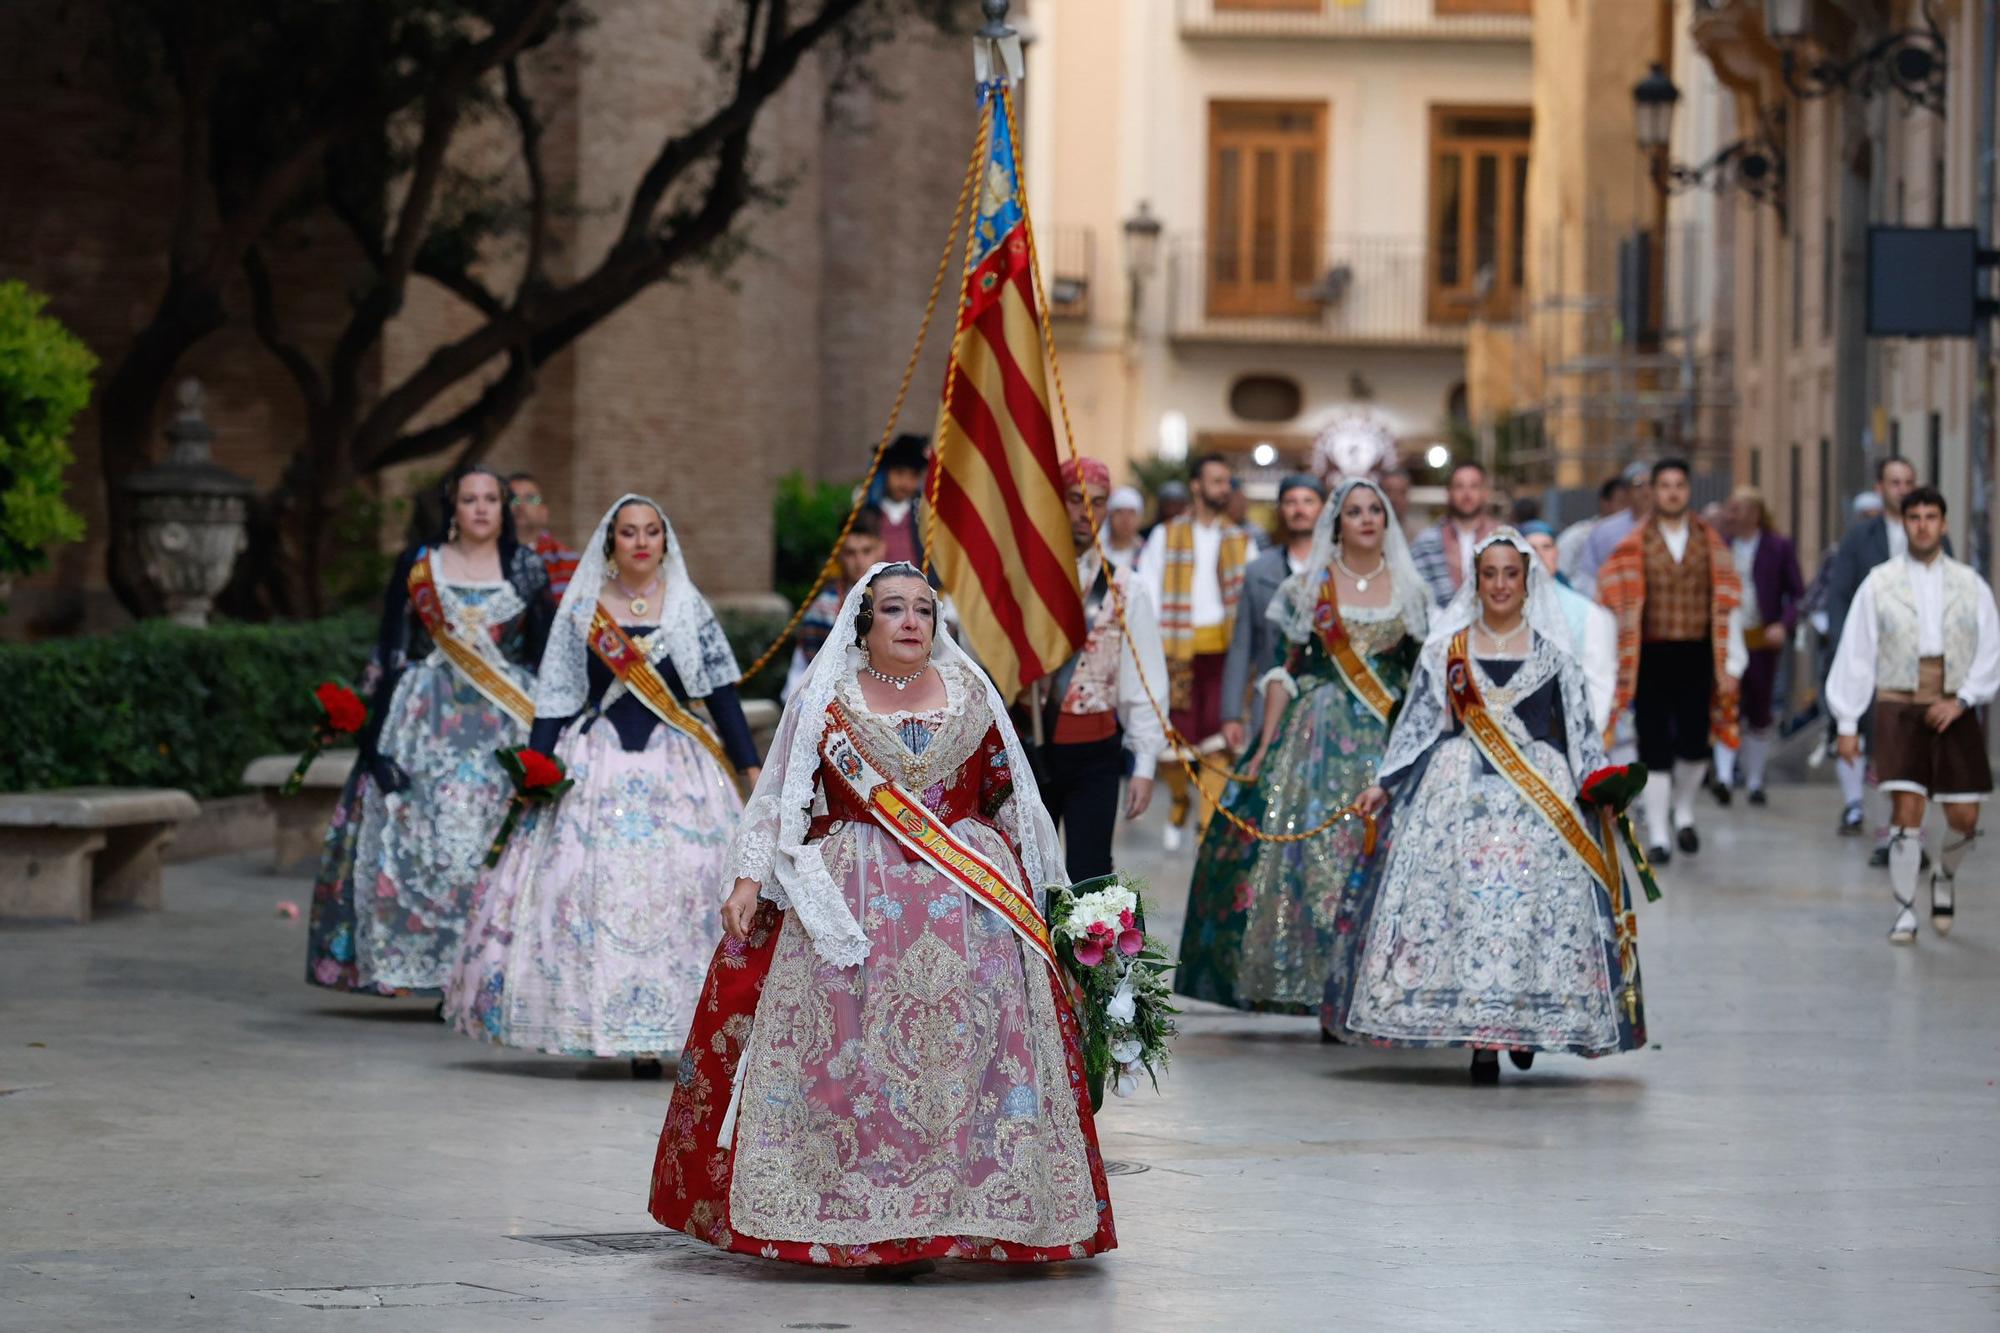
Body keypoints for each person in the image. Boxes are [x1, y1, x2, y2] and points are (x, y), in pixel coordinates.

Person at [648, 563, 1115, 1271]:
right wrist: (750, 880)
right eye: (892, 609)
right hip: (851, 906)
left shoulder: (972, 694)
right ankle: (851, 1208)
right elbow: (783, 797)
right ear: (863, 623)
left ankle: (965, 1211)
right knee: (852, 1059)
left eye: (922, 610)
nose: (909, 622)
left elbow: (1007, 795)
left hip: (971, 904)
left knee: (973, 1060)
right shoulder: (827, 697)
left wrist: (1053, 898)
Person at [444, 495, 760, 1071]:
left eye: (651, 532)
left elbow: (720, 696)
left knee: (687, 889)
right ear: (610, 544)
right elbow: (557, 696)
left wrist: (751, 771)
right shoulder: (581, 609)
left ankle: (671, 1030)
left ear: (666, 542)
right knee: (579, 890)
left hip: (679, 770)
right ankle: (592, 1023)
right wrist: (536, 766)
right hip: (595, 765)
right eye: (628, 532)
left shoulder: (690, 608)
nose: (640, 542)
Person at [1337, 530, 1647, 1081]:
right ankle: (1484, 1040)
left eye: (1511, 574)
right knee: (1467, 910)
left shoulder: (1555, 656)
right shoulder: (1446, 651)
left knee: (1531, 915)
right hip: (1458, 797)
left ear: (1528, 583)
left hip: (1539, 802)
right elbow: (1418, 725)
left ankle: (1523, 1021)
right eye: (1490, 574)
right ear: (1475, 581)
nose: (1500, 584)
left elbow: (1579, 735)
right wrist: (1384, 784)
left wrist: (1602, 790)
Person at [1178, 478, 1427, 1019]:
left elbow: (1419, 682)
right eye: (1354, 511)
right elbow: (1282, 671)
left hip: (1384, 745)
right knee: (1308, 864)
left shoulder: (1413, 593)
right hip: (1312, 740)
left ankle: (1373, 984)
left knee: (1375, 859)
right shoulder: (1307, 588)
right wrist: (1265, 744)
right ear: (1336, 523)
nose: (1365, 519)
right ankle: (1312, 984)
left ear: (1387, 521)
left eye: (1374, 511)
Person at [307, 466, 553, 995]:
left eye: (492, 499)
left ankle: (483, 973)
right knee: (423, 839)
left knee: (494, 841)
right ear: (453, 507)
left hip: (505, 724)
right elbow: (391, 648)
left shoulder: (526, 568)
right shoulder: (421, 567)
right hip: (425, 721)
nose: (482, 508)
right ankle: (427, 972)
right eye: (470, 499)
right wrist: (371, 740)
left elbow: (545, 652)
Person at [1827, 488, 1997, 945]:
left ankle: (1944, 874)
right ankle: (1904, 909)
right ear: (1904, 524)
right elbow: (1857, 653)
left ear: (1944, 524)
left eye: (1931, 516)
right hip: (1898, 702)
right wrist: (1847, 723)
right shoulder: (1879, 583)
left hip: (1953, 703)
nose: (1922, 524)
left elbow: (1990, 648)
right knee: (1907, 807)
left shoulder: (1970, 583)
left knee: (1964, 815)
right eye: (1914, 517)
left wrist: (1962, 699)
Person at [1597, 458, 1745, 865]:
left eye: (1679, 484)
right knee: (1654, 744)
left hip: (1699, 653)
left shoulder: (1711, 543)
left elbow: (1730, 605)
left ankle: (1684, 810)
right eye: (1665, 486)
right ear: (1652, 492)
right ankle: (1660, 832)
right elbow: (1614, 602)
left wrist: (1732, 664)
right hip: (1651, 653)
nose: (1673, 493)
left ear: (1688, 490)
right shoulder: (1633, 546)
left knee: (1696, 746)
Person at [1032, 456, 1167, 880]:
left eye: (1098, 501)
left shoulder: (1128, 586)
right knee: (1027, 873)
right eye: (1075, 499)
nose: (1086, 511)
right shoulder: (1024, 581)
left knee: (1091, 876)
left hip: (1096, 753)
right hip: (1026, 747)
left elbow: (1145, 678)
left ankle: (1084, 951)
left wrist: (1144, 764)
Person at [1138, 453, 1255, 849]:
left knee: (1219, 739)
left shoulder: (1241, 539)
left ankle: (1207, 827)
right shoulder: (1166, 535)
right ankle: (1178, 800)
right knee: (1174, 746)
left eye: (1227, 482)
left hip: (1224, 653)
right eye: (1217, 481)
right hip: (1176, 651)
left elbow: (1251, 600)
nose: (1224, 489)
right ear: (1197, 486)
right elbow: (1148, 593)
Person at [1823, 457, 1924, 837]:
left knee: (1904, 745)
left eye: (1908, 481)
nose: (1903, 489)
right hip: (1868, 654)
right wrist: (1840, 646)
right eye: (1895, 482)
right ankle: (1856, 806)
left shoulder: (1930, 535)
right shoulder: (1859, 538)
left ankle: (1897, 824)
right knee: (1864, 735)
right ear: (1880, 488)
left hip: (1914, 659)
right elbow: (1839, 594)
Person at [1710, 486, 1804, 806]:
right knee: (1726, 703)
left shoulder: (1778, 547)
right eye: (1730, 509)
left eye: (1738, 509)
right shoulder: (1720, 546)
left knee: (1759, 709)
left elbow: (1796, 593)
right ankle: (1723, 776)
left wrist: (1783, 624)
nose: (1731, 515)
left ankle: (1754, 780)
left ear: (1755, 512)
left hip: (1761, 638)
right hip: (1726, 639)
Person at [1220, 473, 1326, 752]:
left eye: (1308, 501)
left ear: (1323, 509)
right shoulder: (1259, 571)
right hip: (1269, 700)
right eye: (1290, 502)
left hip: (1327, 703)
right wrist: (1231, 713)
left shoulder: (1341, 569)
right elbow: (1242, 645)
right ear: (1280, 510)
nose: (1299, 509)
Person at [781, 506, 884, 702]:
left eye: (866, 550)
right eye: (850, 553)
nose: (859, 561)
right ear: (839, 554)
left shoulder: (902, 600)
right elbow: (798, 679)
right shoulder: (822, 609)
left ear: (881, 548)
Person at [1522, 520, 1617, 732]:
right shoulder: (1503, 609)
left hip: (1571, 729)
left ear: (1556, 553)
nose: (1539, 555)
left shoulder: (1586, 612)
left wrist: (1587, 733)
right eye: (1531, 548)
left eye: (1546, 547)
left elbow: (1599, 680)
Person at [1408, 460, 1497, 606]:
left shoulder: (1502, 538)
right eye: (1459, 486)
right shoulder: (1425, 543)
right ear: (1448, 492)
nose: (1467, 494)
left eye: (1474, 486)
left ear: (1485, 493)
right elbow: (1417, 596)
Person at [1577, 460, 1654, 596]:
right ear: (1627, 491)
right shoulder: (1604, 531)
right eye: (1639, 485)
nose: (1646, 491)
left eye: (1651, 484)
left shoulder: (1674, 527)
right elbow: (1586, 575)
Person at [507, 472, 580, 600]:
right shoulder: (486, 559)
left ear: (544, 511)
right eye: (512, 498)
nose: (520, 505)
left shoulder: (571, 563)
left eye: (530, 499)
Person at [1556, 474, 1626, 594]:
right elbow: (1560, 573)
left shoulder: (1639, 537)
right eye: (1623, 503)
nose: (1627, 510)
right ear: (1605, 503)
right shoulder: (1578, 536)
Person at [868, 433, 929, 568]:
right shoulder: (869, 512)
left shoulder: (924, 513)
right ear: (885, 472)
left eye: (913, 476)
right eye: (899, 473)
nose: (905, 483)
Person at [1103, 486, 1146, 572]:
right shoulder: (1097, 552)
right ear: (1109, 516)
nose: (1125, 520)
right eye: (1119, 512)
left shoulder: (1148, 553)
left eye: (1132, 513)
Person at [1378, 466, 1422, 542]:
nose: (1394, 499)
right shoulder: (1365, 532)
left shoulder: (1419, 535)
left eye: (1401, 493)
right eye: (1388, 491)